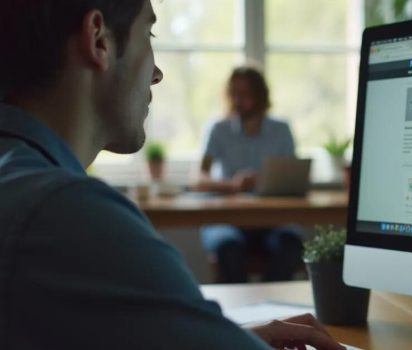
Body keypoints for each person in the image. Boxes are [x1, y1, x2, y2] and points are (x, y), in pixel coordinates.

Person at [0, 1, 343, 349]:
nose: (157, 73)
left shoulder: (19, 182)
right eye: (148, 34)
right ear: (99, 39)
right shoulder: (69, 213)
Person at [194, 66, 305, 283]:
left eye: (244, 94)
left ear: (260, 95)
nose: (237, 100)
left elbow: (294, 177)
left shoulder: (281, 130)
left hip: (273, 221)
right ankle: (239, 316)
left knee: (290, 243)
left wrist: (265, 180)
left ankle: (273, 310)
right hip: (226, 221)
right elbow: (198, 179)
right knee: (229, 247)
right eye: (234, 93)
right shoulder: (218, 129)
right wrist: (232, 185)